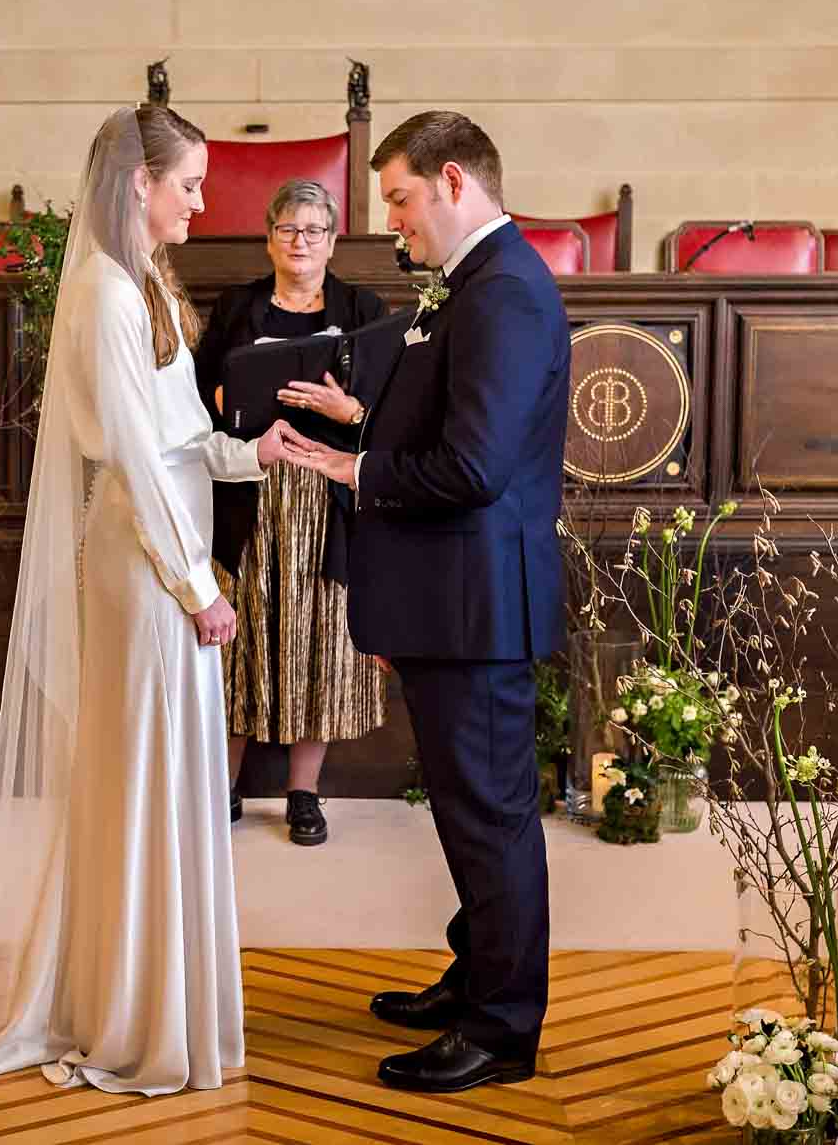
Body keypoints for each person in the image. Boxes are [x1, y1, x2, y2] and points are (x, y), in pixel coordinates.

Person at [0, 104, 291, 1096]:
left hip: (167, 546)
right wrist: (200, 587)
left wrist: (256, 452)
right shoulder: (106, 295)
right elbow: (133, 463)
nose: (203, 199)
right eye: (189, 182)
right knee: (148, 771)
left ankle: (154, 994)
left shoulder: (143, 282)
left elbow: (179, 435)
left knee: (166, 771)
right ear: (137, 184)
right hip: (147, 561)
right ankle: (133, 1013)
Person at [280, 110, 567, 1094]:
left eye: (399, 198)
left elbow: (475, 465)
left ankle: (502, 1026)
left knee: (489, 816)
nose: (391, 221)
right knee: (464, 809)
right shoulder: (478, 285)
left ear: (454, 181)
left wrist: (359, 471)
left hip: (477, 605)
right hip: (452, 600)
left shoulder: (507, 293)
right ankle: (478, 976)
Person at [193, 178, 389, 847]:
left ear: (333, 242)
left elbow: (392, 410)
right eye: (287, 229)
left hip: (329, 492)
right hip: (250, 488)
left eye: (313, 231)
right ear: (269, 237)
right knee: (243, 638)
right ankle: (225, 787)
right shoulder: (238, 305)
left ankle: (304, 793)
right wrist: (228, 397)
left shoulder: (363, 308)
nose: (300, 242)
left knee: (318, 643)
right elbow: (200, 393)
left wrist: (349, 412)